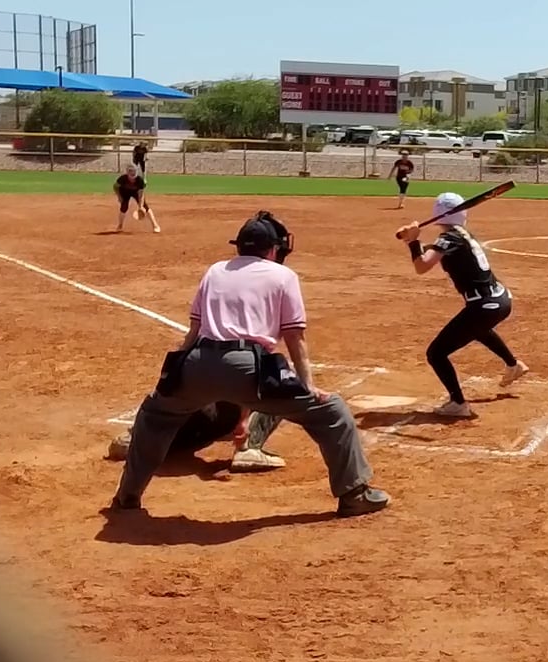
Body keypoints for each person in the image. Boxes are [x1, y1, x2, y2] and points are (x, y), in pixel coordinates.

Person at [107, 212, 388, 517]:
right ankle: (353, 495)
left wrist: (170, 378)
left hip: (198, 364)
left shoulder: (215, 270)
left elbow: (192, 335)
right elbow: (295, 337)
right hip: (249, 369)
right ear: (273, 249)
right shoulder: (283, 276)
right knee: (332, 412)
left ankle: (127, 496)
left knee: (154, 416)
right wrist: (308, 385)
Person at [397, 193, 529, 419]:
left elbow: (422, 266)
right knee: (477, 329)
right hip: (500, 300)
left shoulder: (449, 239)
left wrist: (413, 242)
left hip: (483, 306)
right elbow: (435, 252)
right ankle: (513, 365)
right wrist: (413, 240)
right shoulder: (462, 235)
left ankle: (458, 403)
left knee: (436, 353)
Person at [105, 405, 288, 473]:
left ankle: (142, 438)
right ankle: (249, 449)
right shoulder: (250, 344)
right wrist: (243, 421)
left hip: (189, 414)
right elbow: (247, 388)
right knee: (283, 383)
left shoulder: (198, 342)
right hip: (220, 419)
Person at [113, 167, 161, 233]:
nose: (132, 176)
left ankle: (155, 226)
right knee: (124, 207)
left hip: (136, 192)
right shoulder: (122, 179)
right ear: (127, 173)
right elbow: (115, 187)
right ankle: (120, 225)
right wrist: (119, 197)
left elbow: (141, 194)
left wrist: (140, 206)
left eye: (134, 173)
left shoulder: (140, 180)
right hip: (124, 192)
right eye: (130, 173)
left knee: (145, 206)